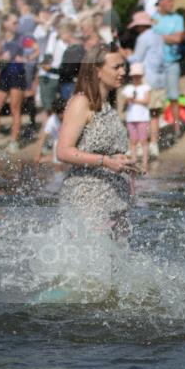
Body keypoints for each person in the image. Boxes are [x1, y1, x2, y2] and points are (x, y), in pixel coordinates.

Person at [56, 45, 139, 239]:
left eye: (123, 67)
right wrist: (107, 162)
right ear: (97, 71)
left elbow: (107, 149)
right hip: (87, 197)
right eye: (116, 67)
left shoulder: (108, 105)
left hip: (115, 198)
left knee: (115, 264)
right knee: (90, 264)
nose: (123, 72)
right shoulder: (80, 103)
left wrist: (127, 166)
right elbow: (63, 151)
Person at [0, 13, 34, 152]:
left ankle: (14, 142)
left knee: (15, 109)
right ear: (5, 24)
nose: (17, 25)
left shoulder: (22, 38)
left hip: (17, 75)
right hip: (4, 75)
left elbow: (35, 51)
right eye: (14, 23)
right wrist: (1, 58)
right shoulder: (0, 39)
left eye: (17, 23)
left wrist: (25, 58)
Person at [127, 12, 166, 160]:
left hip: (147, 78)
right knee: (155, 114)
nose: (136, 29)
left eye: (137, 26)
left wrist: (126, 55)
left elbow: (137, 58)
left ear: (141, 25)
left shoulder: (143, 38)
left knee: (142, 112)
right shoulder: (158, 36)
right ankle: (154, 144)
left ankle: (139, 144)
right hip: (160, 78)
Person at [153, 0, 185, 140]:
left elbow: (179, 38)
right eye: (168, 1)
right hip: (156, 64)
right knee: (157, 96)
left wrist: (161, 37)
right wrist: (169, 37)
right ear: (160, 2)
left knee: (174, 96)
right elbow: (151, 39)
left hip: (172, 62)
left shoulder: (178, 18)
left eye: (172, 1)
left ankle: (176, 127)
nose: (171, 4)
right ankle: (157, 128)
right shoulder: (152, 19)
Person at [122, 63, 151, 174]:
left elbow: (147, 101)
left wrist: (134, 100)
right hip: (131, 118)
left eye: (138, 76)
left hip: (143, 118)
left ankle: (144, 163)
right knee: (133, 141)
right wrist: (130, 99)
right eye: (134, 76)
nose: (136, 78)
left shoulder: (145, 87)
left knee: (143, 140)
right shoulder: (128, 88)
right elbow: (124, 101)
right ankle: (134, 161)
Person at [34, 95, 65, 165]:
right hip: (58, 144)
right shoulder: (52, 120)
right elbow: (42, 137)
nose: (61, 115)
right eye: (58, 113)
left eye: (62, 112)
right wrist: (37, 154)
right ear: (55, 112)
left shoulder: (71, 116)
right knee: (59, 169)